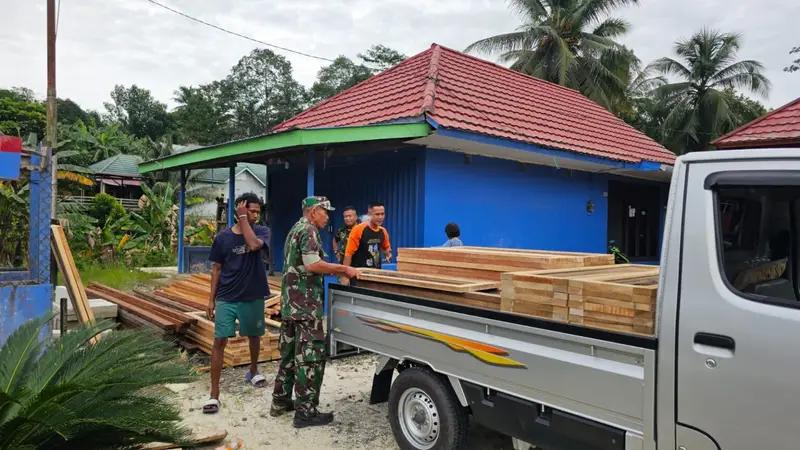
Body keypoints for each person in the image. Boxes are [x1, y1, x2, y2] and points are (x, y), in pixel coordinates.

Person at [271, 196, 360, 428]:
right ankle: (306, 413)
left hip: (291, 305)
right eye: (325, 212)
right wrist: (344, 269)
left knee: (289, 355)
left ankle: (280, 401)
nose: (327, 216)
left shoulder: (295, 228)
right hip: (306, 306)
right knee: (310, 358)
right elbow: (313, 265)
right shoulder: (309, 230)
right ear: (313, 212)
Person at [203, 193, 271, 414]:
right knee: (219, 340)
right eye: (252, 211)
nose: (256, 215)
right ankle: (214, 394)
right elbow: (216, 269)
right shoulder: (223, 238)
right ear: (240, 209)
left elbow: (253, 245)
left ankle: (253, 370)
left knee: (254, 336)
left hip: (253, 294)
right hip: (227, 296)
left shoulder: (262, 231)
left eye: (258, 211)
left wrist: (244, 219)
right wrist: (211, 300)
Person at [343, 201, 392, 270]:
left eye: (382, 214)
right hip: (359, 273)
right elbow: (348, 254)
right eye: (377, 214)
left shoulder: (383, 231)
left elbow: (386, 248)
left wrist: (388, 255)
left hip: (376, 272)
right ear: (369, 214)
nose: (380, 217)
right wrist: (345, 273)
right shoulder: (358, 230)